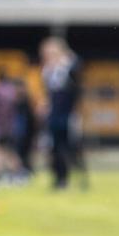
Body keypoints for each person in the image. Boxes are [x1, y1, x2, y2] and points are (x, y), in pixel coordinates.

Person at [40, 37, 82, 190]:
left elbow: (76, 67)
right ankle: (58, 177)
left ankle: (70, 177)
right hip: (54, 114)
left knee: (68, 146)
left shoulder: (67, 67)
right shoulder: (48, 71)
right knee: (54, 147)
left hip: (67, 114)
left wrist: (65, 57)